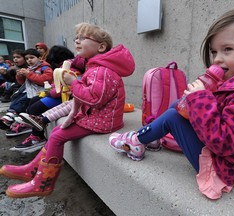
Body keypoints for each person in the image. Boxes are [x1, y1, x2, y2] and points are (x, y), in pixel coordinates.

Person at [109, 8, 234, 200]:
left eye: (228, 49)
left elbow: (224, 143)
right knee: (179, 105)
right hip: (227, 157)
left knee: (173, 116)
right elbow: (218, 115)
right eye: (214, 51)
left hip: (223, 167)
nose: (217, 59)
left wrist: (202, 100)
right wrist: (199, 99)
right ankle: (152, 136)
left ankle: (135, 142)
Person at [0, 22, 135, 198]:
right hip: (96, 116)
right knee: (57, 130)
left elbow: (94, 99)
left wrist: (74, 83)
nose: (77, 41)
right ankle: (33, 168)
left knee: (56, 136)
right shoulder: (94, 66)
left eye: (83, 38)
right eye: (76, 38)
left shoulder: (102, 71)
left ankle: (43, 184)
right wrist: (72, 111)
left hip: (103, 121)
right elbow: (80, 84)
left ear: (101, 47)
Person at [0, 49, 53, 134]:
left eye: (32, 57)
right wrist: (20, 76)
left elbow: (46, 80)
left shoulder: (45, 68)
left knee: (25, 102)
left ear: (39, 58)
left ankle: (17, 119)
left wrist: (28, 74)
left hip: (42, 92)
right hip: (30, 91)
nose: (29, 60)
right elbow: (22, 82)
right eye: (27, 58)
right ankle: (12, 118)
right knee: (17, 97)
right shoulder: (29, 68)